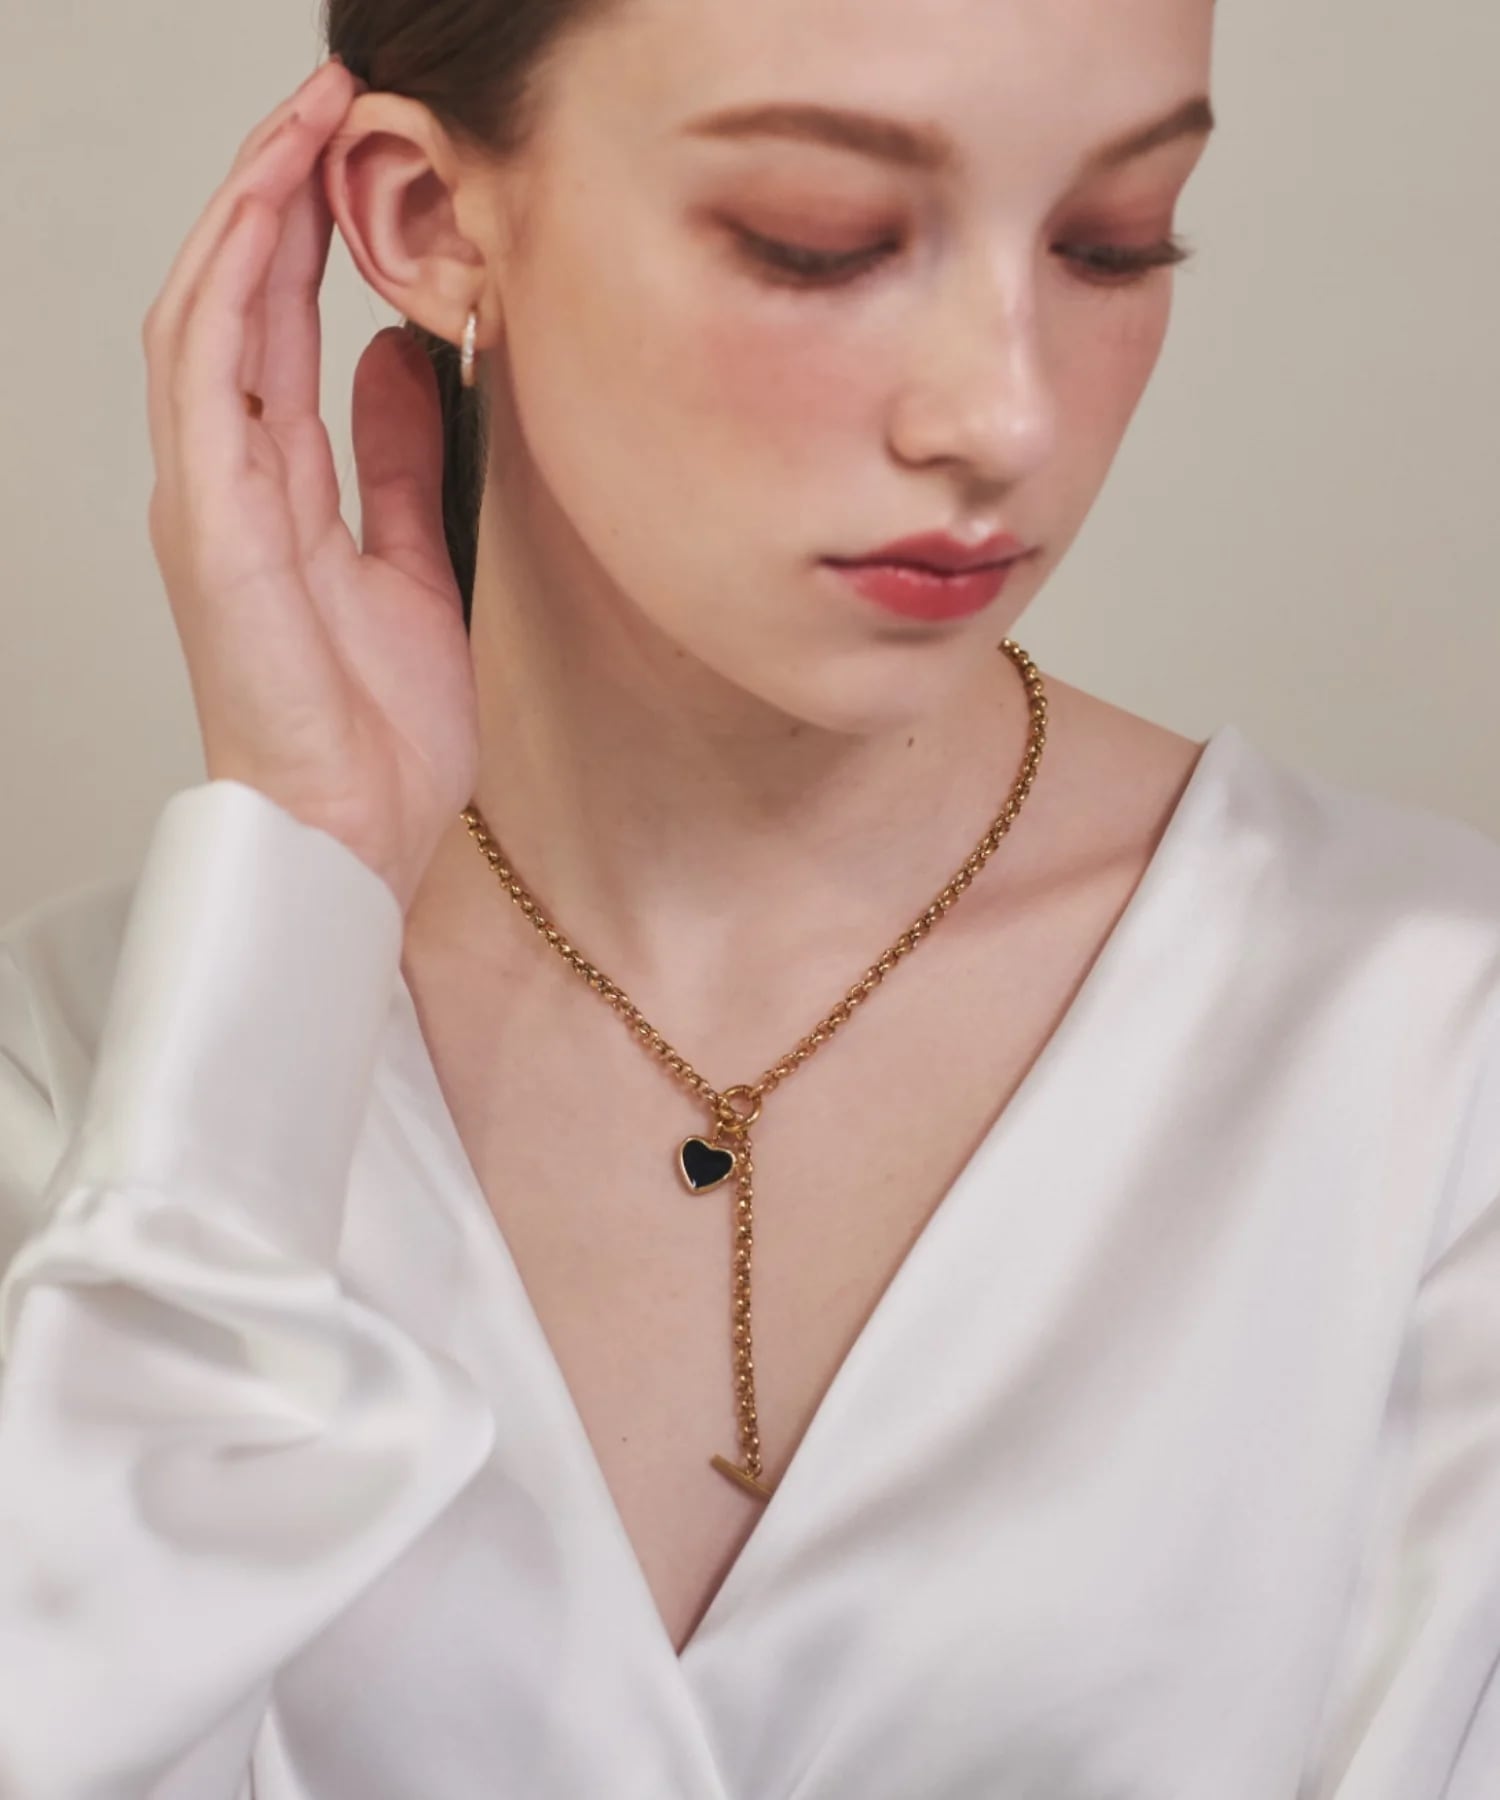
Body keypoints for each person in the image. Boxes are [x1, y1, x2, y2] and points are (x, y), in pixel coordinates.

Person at [0, 0, 1497, 1793]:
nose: (1005, 414)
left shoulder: (1434, 1058)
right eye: (820, 240)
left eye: (1111, 243)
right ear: (428, 218)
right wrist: (297, 881)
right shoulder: (86, 1100)